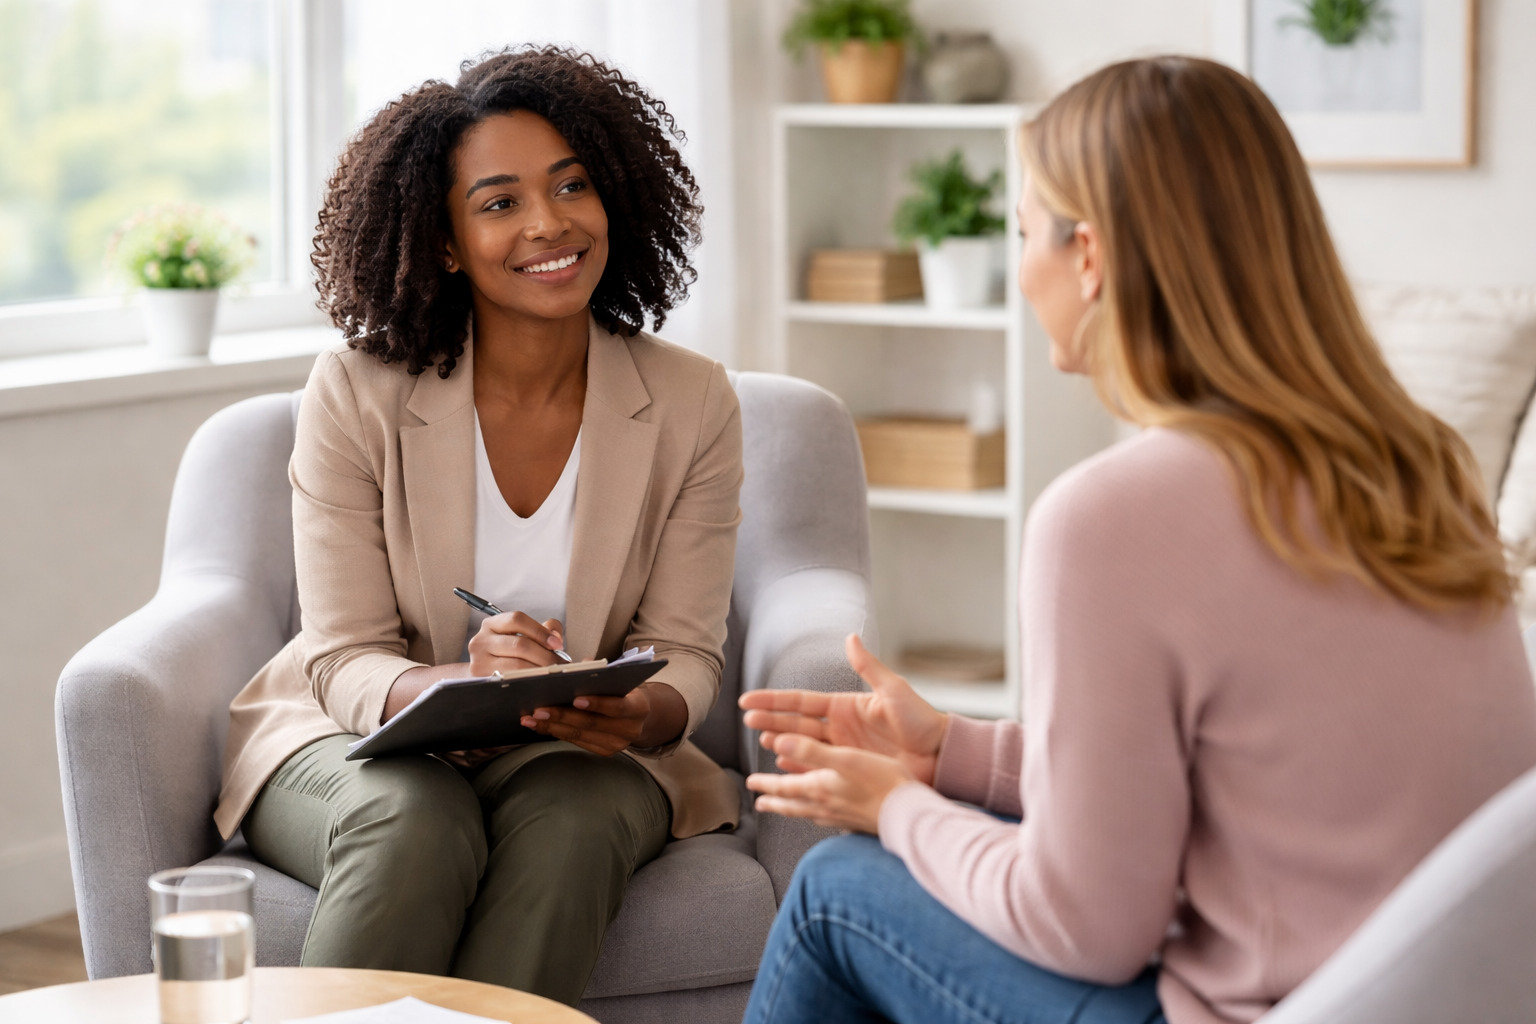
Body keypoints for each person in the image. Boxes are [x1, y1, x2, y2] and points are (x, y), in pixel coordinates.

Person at [739, 56, 1536, 1024]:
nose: (1022, 268)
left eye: (1024, 231)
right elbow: (1227, 782)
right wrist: (950, 751)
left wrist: (898, 810)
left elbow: (1087, 923)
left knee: (836, 887)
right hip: (1452, 995)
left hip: (1265, 1007)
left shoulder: (1106, 518)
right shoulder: (1425, 461)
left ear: (1091, 257)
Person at [211, 46, 743, 1005]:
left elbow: (690, 651)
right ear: (445, 241)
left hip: (585, 754)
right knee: (415, 819)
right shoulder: (356, 392)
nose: (550, 224)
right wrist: (457, 684)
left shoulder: (692, 399)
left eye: (572, 186)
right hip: (357, 735)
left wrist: (636, 709)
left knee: (578, 820)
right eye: (499, 202)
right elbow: (342, 656)